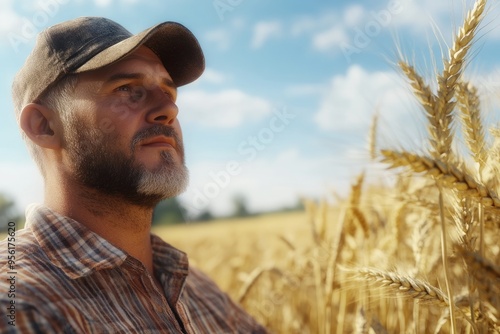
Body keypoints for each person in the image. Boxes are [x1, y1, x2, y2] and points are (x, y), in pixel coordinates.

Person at [0, 17, 267, 333]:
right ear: (44, 126)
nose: (169, 109)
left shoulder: (197, 287)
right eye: (126, 88)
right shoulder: (17, 306)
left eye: (169, 92)